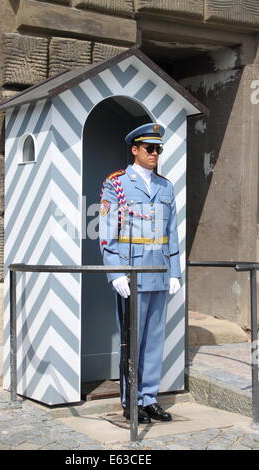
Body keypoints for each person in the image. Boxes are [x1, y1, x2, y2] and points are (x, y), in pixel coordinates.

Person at [99, 123, 181, 424]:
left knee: (155, 339)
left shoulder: (165, 186)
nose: (155, 153)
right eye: (150, 148)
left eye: (158, 149)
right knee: (132, 340)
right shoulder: (116, 184)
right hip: (131, 272)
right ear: (135, 150)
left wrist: (175, 271)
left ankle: (149, 399)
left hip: (159, 269)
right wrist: (115, 272)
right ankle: (130, 401)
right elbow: (107, 230)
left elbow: (172, 231)